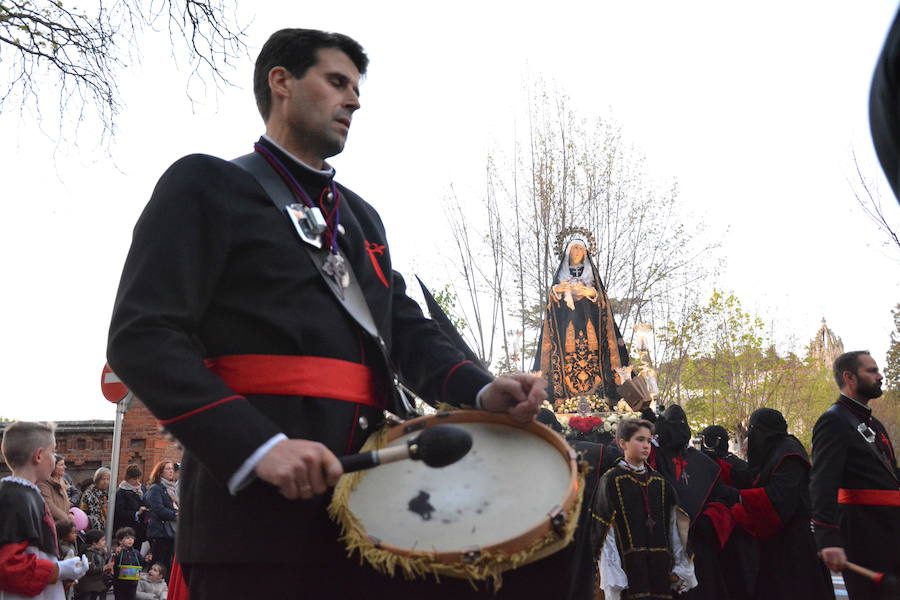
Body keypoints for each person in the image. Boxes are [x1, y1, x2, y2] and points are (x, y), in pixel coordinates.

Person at [106, 27, 545, 599]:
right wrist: (258, 446)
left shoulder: (360, 217)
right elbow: (143, 336)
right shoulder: (207, 183)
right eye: (337, 81)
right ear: (281, 82)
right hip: (251, 522)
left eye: (357, 87)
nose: (355, 100)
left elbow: (404, 329)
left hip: (375, 514)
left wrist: (484, 391)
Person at [811, 351, 900, 600]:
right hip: (863, 536)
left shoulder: (875, 424)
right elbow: (822, 482)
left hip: (890, 533)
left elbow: (889, 477)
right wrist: (827, 539)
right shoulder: (833, 421)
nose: (880, 376)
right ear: (849, 378)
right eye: (871, 371)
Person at [729, 408, 834, 599]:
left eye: (752, 430)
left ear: (762, 431)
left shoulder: (789, 454)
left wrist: (736, 497)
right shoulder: (775, 451)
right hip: (778, 545)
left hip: (795, 546)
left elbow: (778, 499)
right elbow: (754, 476)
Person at [593, 418, 696, 599]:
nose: (646, 446)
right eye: (640, 440)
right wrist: (614, 576)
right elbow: (605, 532)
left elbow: (675, 527)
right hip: (629, 569)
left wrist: (680, 568)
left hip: (660, 569)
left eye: (649, 441)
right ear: (622, 443)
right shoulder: (612, 480)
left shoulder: (659, 482)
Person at [534, 238, 630, 407]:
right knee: (566, 360)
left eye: (580, 248)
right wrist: (559, 290)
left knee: (595, 360)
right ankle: (562, 401)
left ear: (585, 252)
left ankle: (601, 400)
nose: (577, 251)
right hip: (566, 328)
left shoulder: (591, 275)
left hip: (590, 326)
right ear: (568, 252)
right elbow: (552, 305)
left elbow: (602, 302)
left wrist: (589, 291)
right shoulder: (561, 276)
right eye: (574, 248)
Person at [0, 421, 88, 599]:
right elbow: (7, 566)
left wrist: (61, 575)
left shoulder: (26, 494)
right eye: (53, 451)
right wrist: (58, 570)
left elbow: (34, 555)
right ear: (39, 455)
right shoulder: (15, 497)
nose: (55, 458)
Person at [143, 461, 177, 581]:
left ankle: (164, 590)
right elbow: (158, 509)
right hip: (160, 532)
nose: (171, 471)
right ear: (160, 472)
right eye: (168, 469)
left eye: (172, 469)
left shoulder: (173, 488)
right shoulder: (155, 489)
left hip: (171, 532)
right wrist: (176, 514)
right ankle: (150, 589)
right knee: (157, 564)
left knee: (168, 564)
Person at [113, 464, 148, 551]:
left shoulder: (142, 489)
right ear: (128, 479)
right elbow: (119, 512)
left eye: (138, 478)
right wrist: (136, 513)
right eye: (134, 479)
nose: (137, 482)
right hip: (126, 529)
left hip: (140, 529)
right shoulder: (121, 492)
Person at [110, 527, 149, 600]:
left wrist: (146, 560)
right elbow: (114, 564)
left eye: (132, 538)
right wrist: (117, 553)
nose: (131, 540)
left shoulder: (136, 553)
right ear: (120, 541)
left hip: (132, 583)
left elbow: (142, 565)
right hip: (120, 583)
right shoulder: (118, 552)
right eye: (127, 538)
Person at [38, 454, 74, 525]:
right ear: (53, 467)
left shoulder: (62, 482)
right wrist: (67, 518)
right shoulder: (43, 483)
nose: (65, 467)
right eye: (61, 465)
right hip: (53, 525)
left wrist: (70, 514)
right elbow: (49, 506)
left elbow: (65, 504)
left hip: (64, 525)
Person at [75, 529, 109, 600]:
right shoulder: (89, 553)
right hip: (88, 585)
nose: (104, 542)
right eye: (102, 540)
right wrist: (104, 568)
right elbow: (90, 568)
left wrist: (104, 554)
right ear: (94, 543)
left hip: (94, 584)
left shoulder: (96, 552)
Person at [80, 467, 110, 531]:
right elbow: (86, 513)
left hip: (106, 529)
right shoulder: (89, 494)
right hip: (93, 530)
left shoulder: (107, 494)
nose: (106, 482)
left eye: (108, 479)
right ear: (97, 480)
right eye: (103, 479)